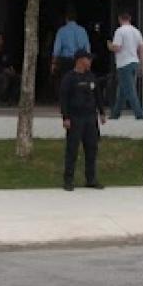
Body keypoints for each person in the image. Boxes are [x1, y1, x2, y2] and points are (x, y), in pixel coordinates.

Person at [57, 48, 105, 190]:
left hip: (90, 118)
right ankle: (68, 180)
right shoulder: (69, 78)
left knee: (91, 149)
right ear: (80, 60)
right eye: (88, 59)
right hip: (75, 118)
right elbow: (63, 98)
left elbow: (97, 95)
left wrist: (101, 112)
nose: (90, 62)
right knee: (72, 149)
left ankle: (91, 179)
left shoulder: (91, 76)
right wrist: (65, 117)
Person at [108, 11, 143, 120]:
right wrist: (141, 65)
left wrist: (110, 45)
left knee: (130, 90)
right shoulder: (136, 31)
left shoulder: (120, 31)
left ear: (120, 19)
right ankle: (115, 114)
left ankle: (139, 115)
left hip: (124, 64)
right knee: (122, 91)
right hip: (134, 62)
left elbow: (117, 47)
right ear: (129, 19)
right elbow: (142, 48)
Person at [50, 8, 89, 82]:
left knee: (65, 85)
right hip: (80, 62)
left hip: (65, 63)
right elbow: (87, 49)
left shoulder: (61, 31)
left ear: (66, 18)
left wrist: (53, 64)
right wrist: (87, 64)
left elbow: (57, 50)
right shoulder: (83, 31)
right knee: (78, 85)